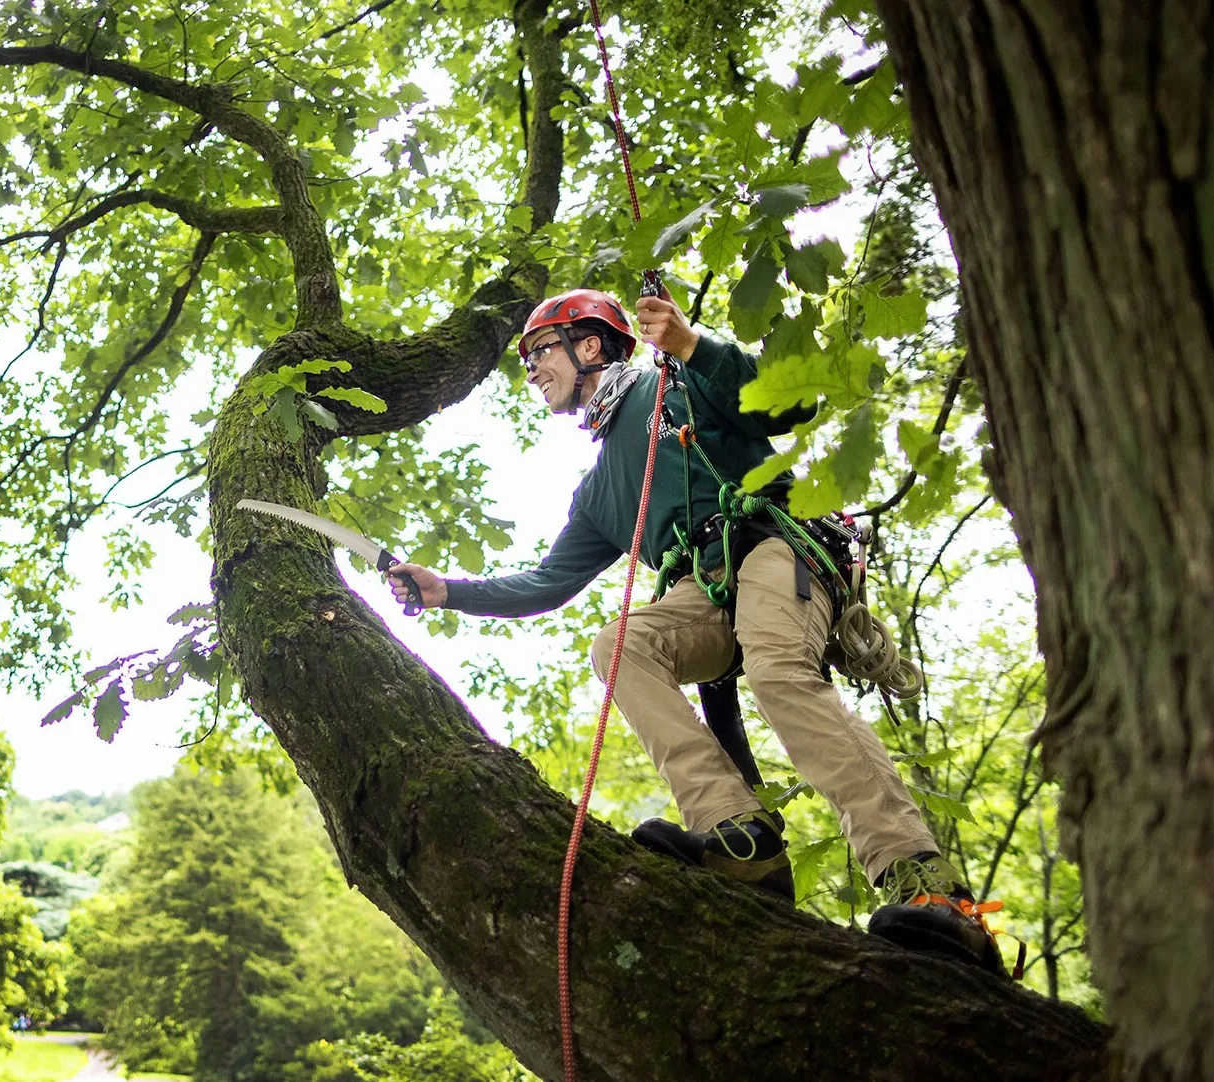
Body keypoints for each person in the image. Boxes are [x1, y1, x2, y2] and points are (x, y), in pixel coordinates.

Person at [388, 286, 1005, 974]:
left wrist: (690, 346)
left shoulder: (676, 385)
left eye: (539, 352)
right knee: (619, 645)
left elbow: (789, 405)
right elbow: (546, 583)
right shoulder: (599, 493)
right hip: (704, 590)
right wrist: (449, 592)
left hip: (773, 545)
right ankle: (737, 835)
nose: (530, 370)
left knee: (778, 674)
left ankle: (927, 885)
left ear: (588, 345)